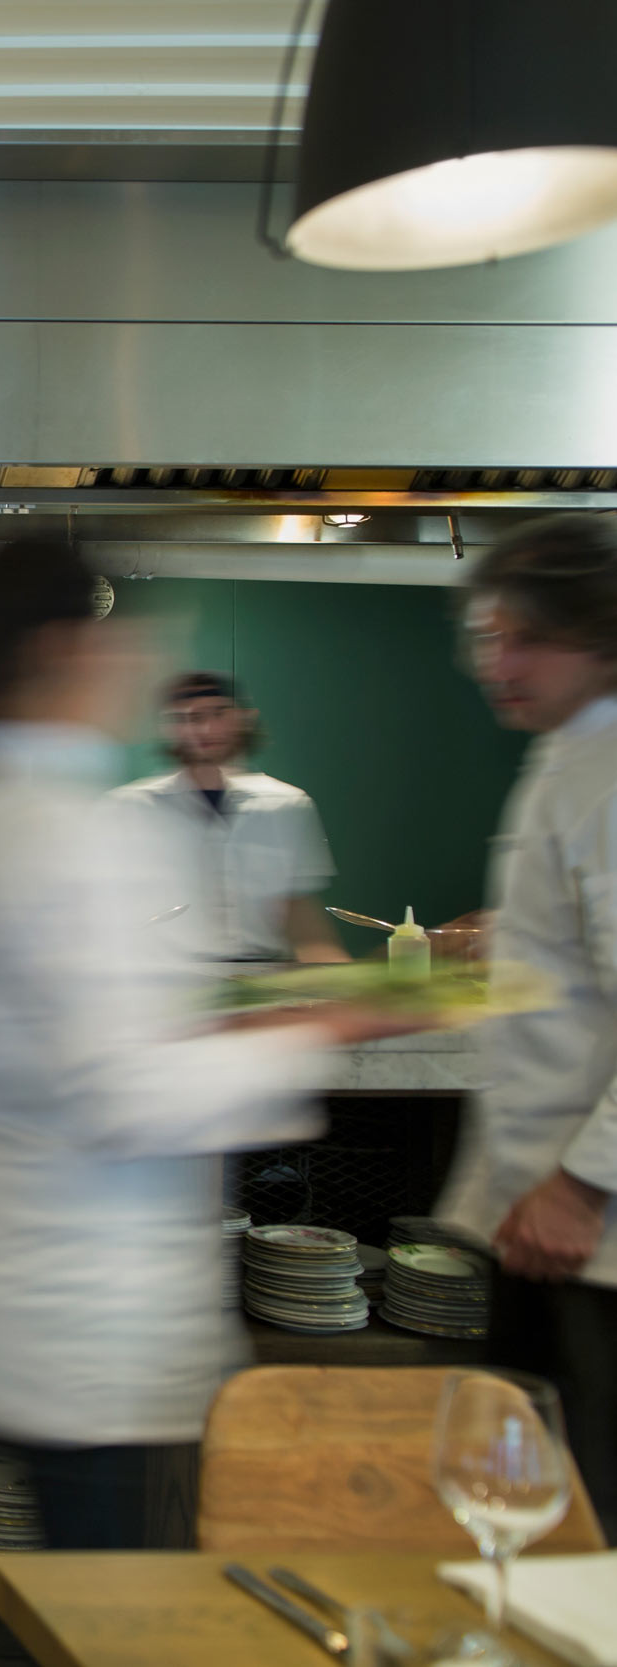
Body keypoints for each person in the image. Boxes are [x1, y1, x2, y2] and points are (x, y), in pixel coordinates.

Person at [0, 541, 425, 1549]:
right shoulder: (72, 832)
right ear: (63, 650)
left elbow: (83, 1035)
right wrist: (329, 1025)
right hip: (85, 1304)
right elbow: (121, 1092)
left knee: (82, 1587)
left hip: (27, 1283)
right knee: (109, 1602)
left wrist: (236, 1021)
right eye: (116, 643)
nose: (133, 670)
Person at [437, 512, 617, 1511]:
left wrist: (582, 1186)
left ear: (600, 635)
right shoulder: (566, 749)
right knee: (525, 1487)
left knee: (581, 1506)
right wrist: (517, 931)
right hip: (544, 1210)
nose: (497, 662)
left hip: (588, 1228)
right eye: (487, 636)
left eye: (525, 638)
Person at [110, 672, 347, 964]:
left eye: (218, 713)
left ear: (245, 718)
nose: (206, 729)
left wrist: (336, 976)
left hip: (266, 974)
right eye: (187, 718)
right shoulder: (127, 808)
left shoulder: (287, 804)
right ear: (167, 728)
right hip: (168, 979)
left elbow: (297, 909)